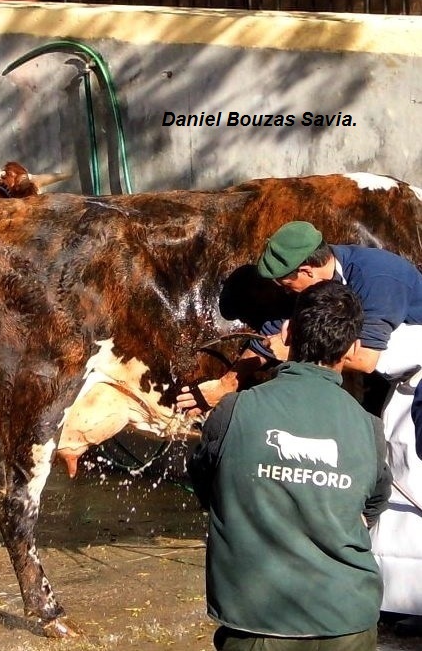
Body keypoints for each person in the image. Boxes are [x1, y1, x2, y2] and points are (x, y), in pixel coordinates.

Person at [177, 220, 422, 635]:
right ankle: (394, 598)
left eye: (283, 282)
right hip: (391, 380)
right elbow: (272, 336)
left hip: (414, 375)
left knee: (409, 475)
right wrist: (226, 383)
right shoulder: (314, 286)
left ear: (306, 271)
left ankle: (414, 602)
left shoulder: (378, 279)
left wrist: (291, 349)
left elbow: (364, 359)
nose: (281, 291)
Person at [188, 280, 393, 650]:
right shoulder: (370, 429)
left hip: (258, 623)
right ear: (352, 349)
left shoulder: (233, 411)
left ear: (287, 333)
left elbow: (206, 484)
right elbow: (373, 506)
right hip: (348, 623)